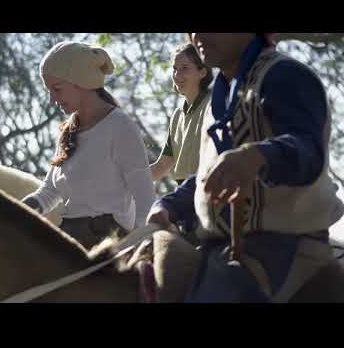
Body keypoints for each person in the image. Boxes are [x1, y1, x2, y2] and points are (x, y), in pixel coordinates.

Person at [147, 33, 344, 302]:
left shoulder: (284, 75)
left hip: (284, 247)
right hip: (219, 246)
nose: (198, 35)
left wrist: (257, 156)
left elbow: (308, 151)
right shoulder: (220, 93)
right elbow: (212, 173)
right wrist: (168, 206)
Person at [23, 41, 155, 250]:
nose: (52, 100)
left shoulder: (120, 126)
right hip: (71, 243)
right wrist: (17, 210)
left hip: (110, 247)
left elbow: (144, 194)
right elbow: (50, 191)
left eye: (56, 89)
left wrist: (136, 244)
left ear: (80, 81)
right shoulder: (68, 132)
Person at [150, 43, 212, 185]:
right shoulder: (177, 116)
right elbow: (162, 166)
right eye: (175, 69)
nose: (177, 75)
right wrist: (125, 181)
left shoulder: (213, 105)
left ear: (202, 72)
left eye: (185, 68)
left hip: (206, 188)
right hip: (183, 192)